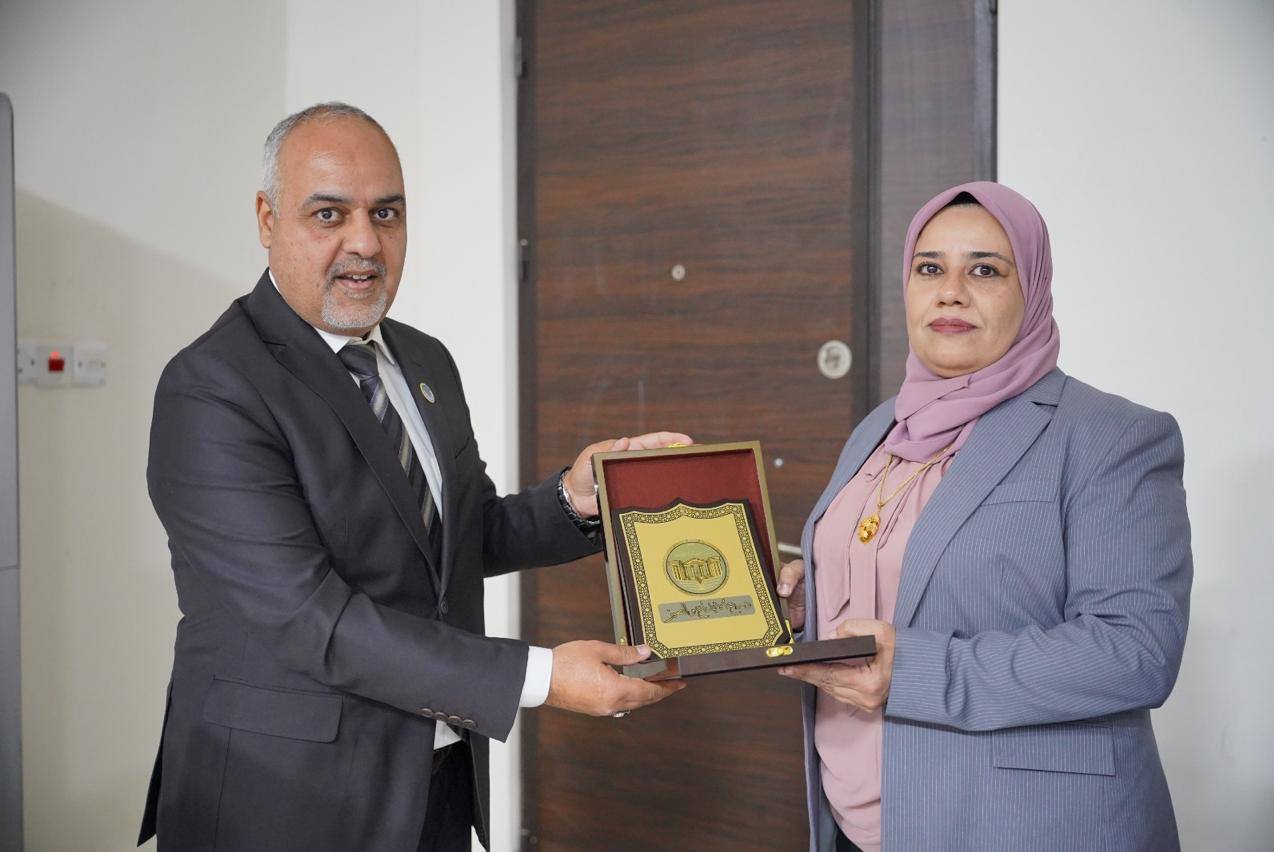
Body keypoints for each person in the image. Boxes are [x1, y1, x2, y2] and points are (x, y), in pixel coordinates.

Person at [139, 102, 687, 852]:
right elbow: (311, 619)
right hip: (283, 797)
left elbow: (461, 536)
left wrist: (577, 500)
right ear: (267, 218)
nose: (365, 242)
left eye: (386, 213)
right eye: (329, 214)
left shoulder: (423, 360)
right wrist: (540, 678)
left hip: (434, 778)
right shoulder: (212, 388)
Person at [776, 181, 1192, 852]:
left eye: (986, 270)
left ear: (1032, 289)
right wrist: (810, 605)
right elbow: (900, 576)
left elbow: (1136, 651)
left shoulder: (1110, 436)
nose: (950, 292)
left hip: (1017, 823)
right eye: (929, 268)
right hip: (857, 820)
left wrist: (913, 671)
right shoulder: (881, 428)